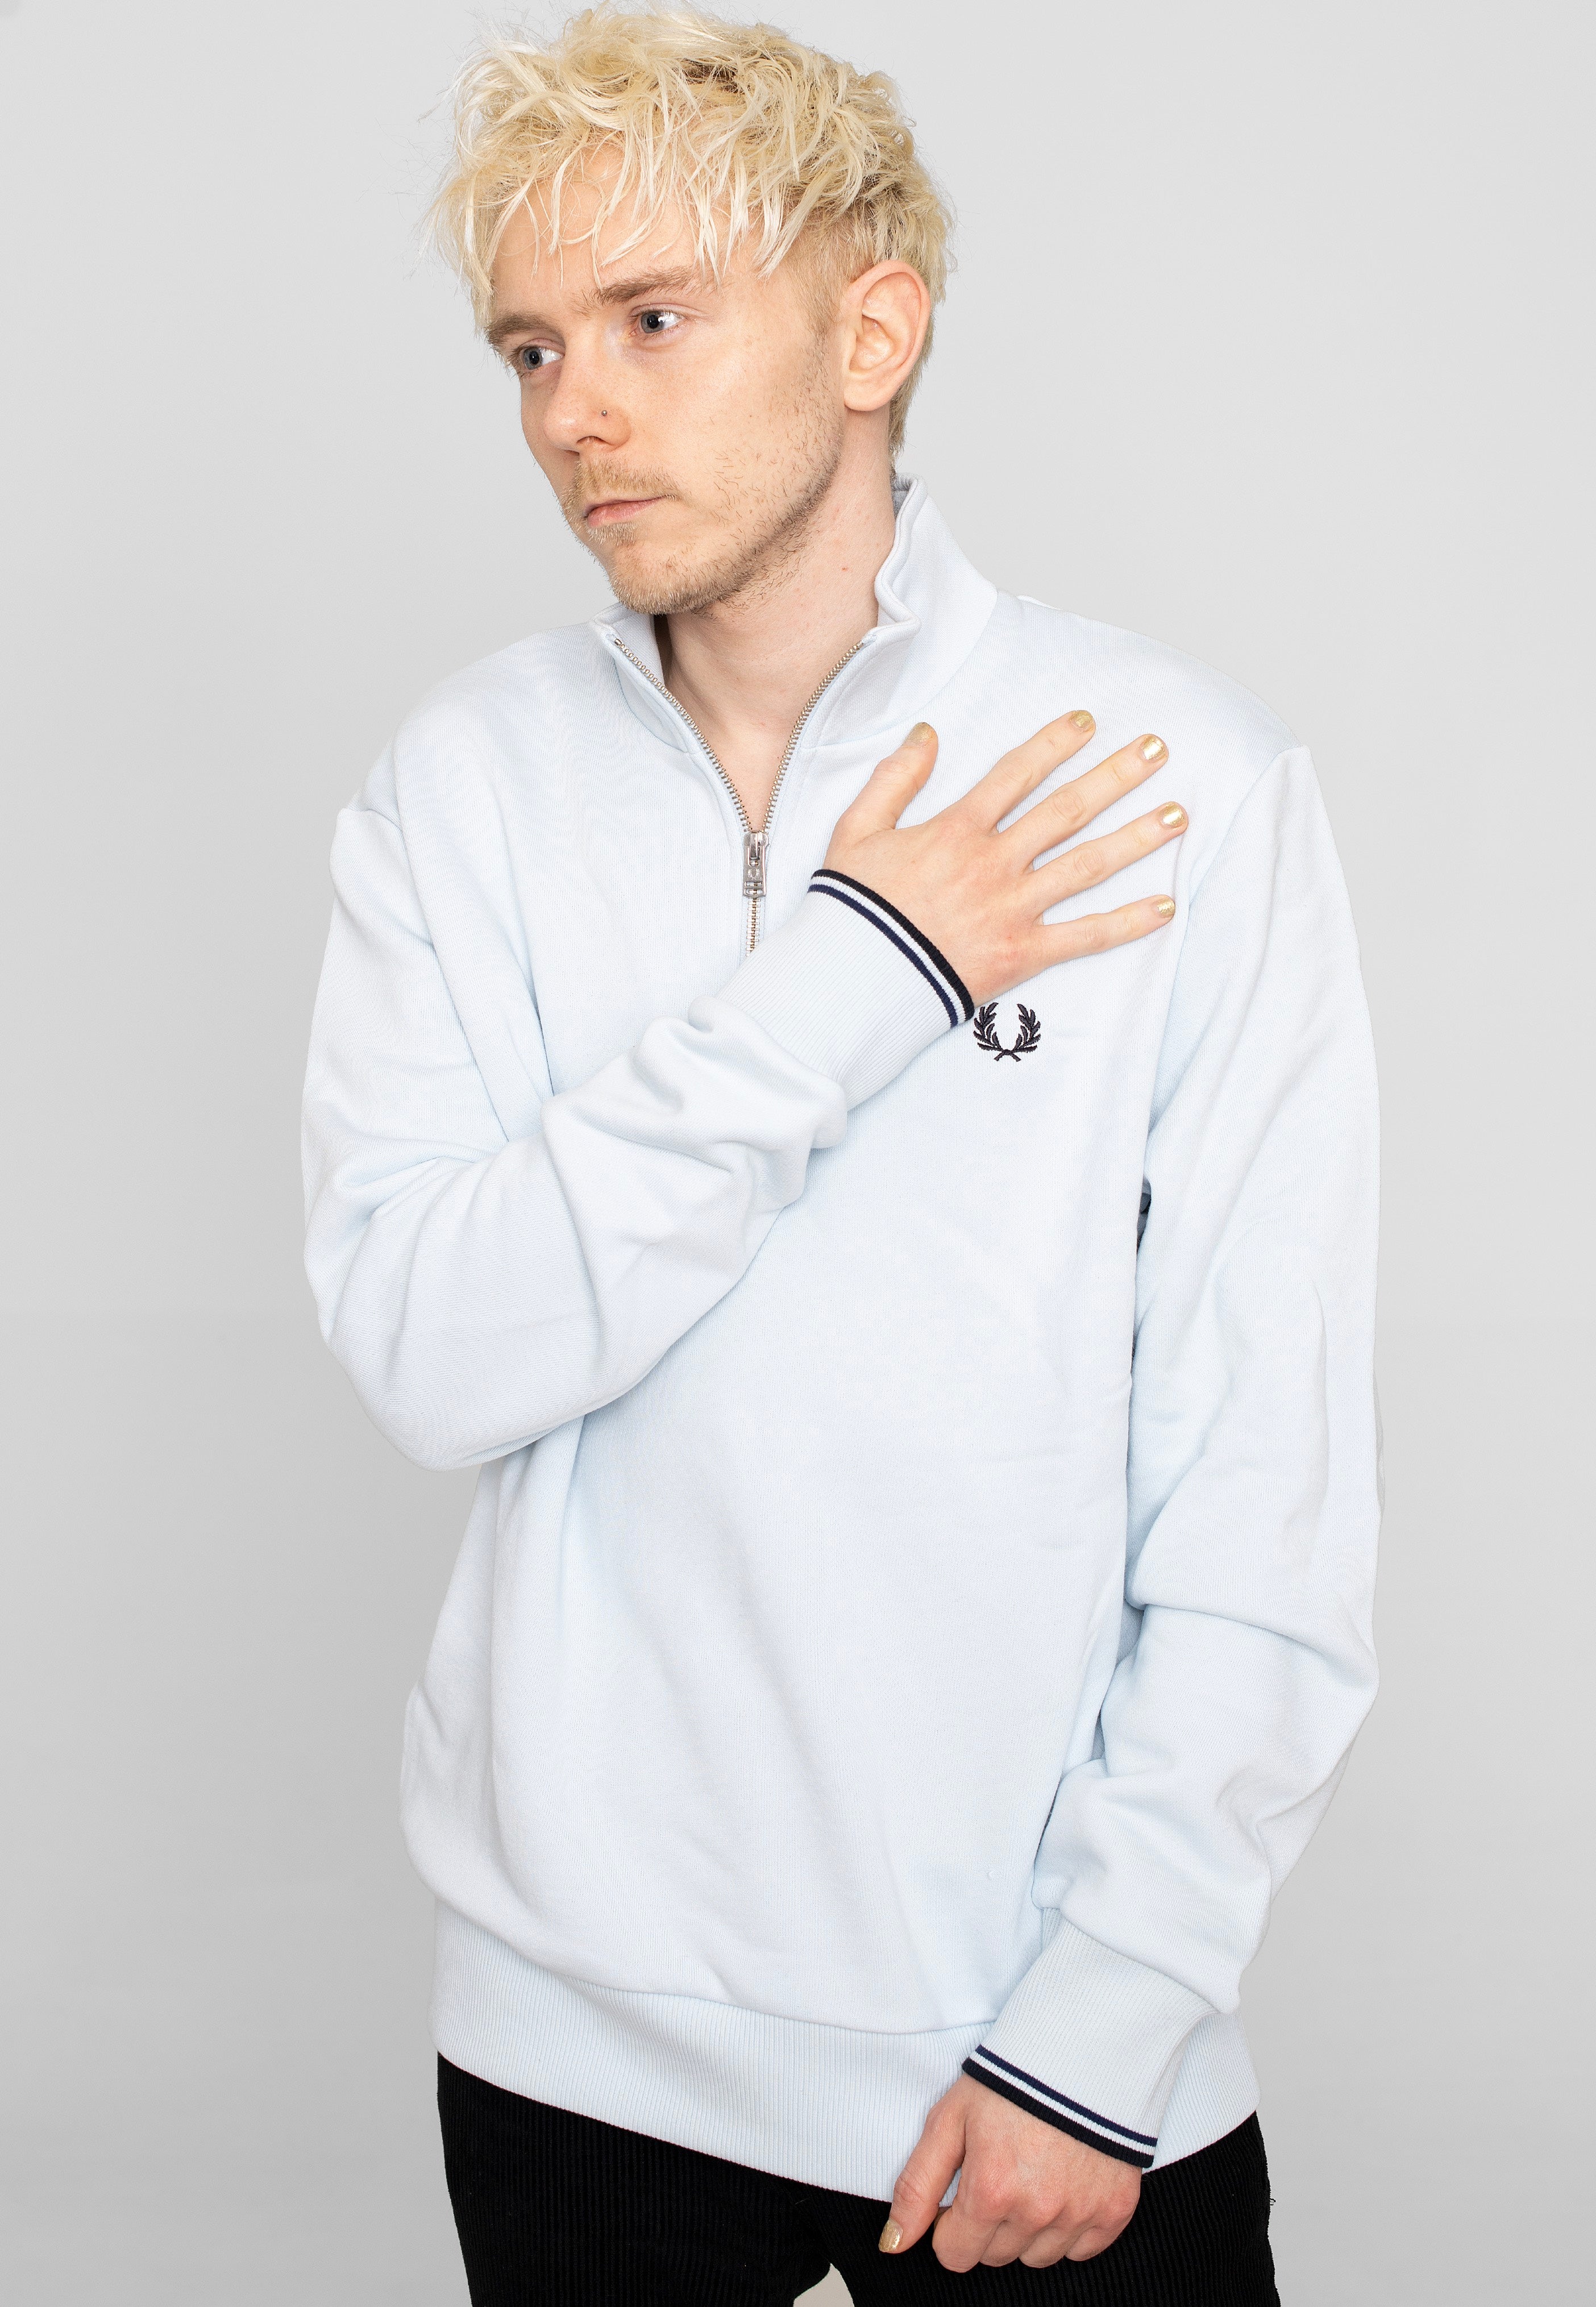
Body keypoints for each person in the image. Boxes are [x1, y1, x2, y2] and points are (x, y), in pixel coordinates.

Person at [302, 10, 1380, 2300]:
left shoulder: (1173, 777)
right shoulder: (463, 787)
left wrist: (1107, 2026)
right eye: (529, 348)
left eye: (652, 319)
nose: (572, 412)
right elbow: (433, 1351)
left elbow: (1264, 1477)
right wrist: (857, 974)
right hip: (577, 2048)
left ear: (872, 332)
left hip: (1049, 2048)